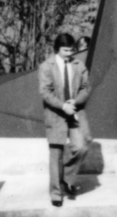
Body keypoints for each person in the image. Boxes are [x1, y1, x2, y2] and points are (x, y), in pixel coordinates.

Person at [37, 31, 91, 206]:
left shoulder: (78, 65)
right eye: (66, 50)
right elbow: (45, 92)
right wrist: (63, 106)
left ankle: (66, 178)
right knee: (56, 154)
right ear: (57, 49)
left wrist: (75, 101)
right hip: (56, 114)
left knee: (81, 147)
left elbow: (86, 88)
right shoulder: (46, 66)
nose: (69, 54)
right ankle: (56, 193)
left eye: (71, 50)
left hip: (75, 112)